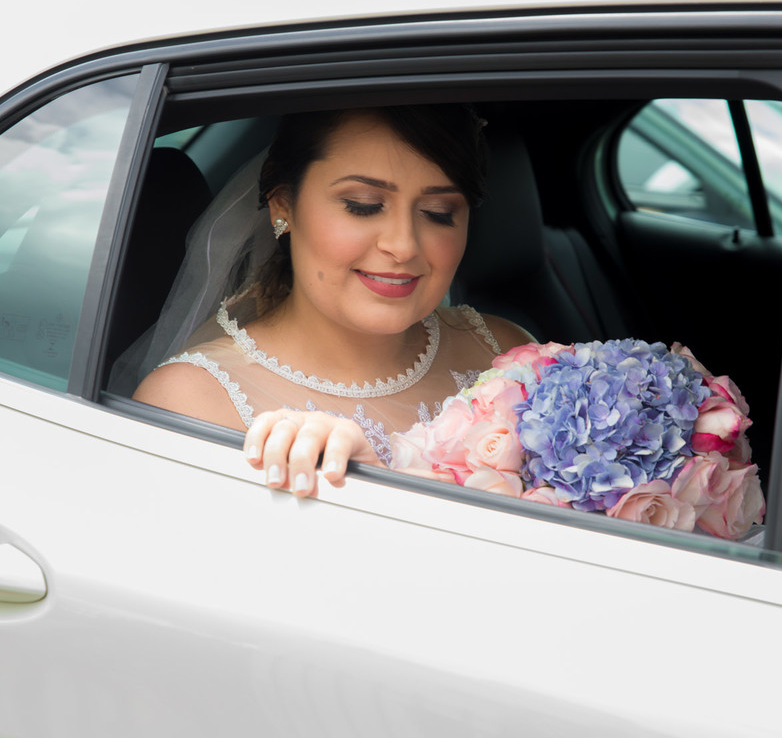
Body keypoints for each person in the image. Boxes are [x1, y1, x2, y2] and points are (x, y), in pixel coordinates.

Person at [133, 105, 533, 497]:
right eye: (363, 205)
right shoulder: (189, 401)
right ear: (282, 203)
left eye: (438, 212)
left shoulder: (504, 353)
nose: (403, 245)